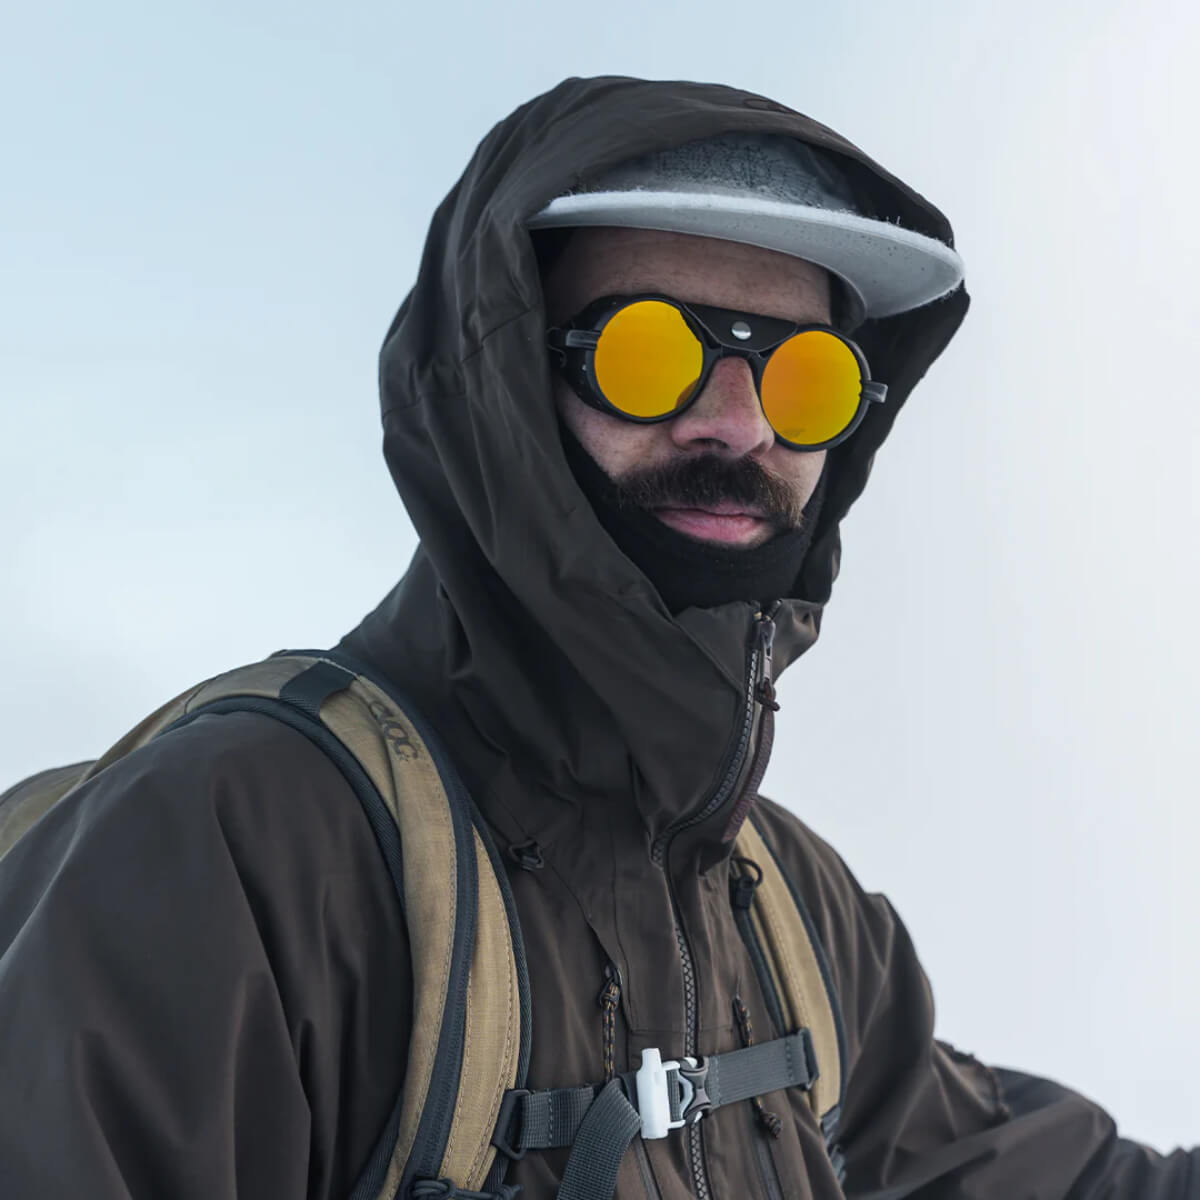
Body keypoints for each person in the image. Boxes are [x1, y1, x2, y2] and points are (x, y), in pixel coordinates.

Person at [0, 74, 1195, 1199]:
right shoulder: (243, 851)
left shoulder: (797, 918)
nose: (738, 424)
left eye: (808, 378)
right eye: (647, 354)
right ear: (503, 385)